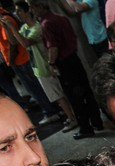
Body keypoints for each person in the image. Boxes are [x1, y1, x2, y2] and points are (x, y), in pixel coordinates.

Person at [28, 0, 103, 139]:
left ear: (39, 6)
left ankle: (86, 127)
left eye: (32, 7)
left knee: (75, 98)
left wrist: (51, 63)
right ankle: (97, 122)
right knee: (86, 91)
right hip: (74, 59)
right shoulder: (60, 18)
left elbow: (53, 47)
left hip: (64, 63)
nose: (32, 11)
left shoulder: (46, 23)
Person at [2, 1, 79, 132]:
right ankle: (70, 116)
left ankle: (73, 118)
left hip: (46, 66)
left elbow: (25, 43)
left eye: (19, 11)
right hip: (38, 67)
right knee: (56, 96)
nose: (17, 14)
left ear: (28, 11)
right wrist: (8, 28)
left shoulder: (37, 27)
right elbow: (15, 41)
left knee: (59, 95)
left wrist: (12, 27)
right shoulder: (25, 28)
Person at [0, 5, 60, 125]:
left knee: (35, 88)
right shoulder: (6, 19)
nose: (18, 14)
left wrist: (10, 60)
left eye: (20, 11)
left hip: (21, 59)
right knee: (36, 87)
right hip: (20, 58)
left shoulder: (6, 20)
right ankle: (53, 109)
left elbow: (12, 43)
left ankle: (50, 111)